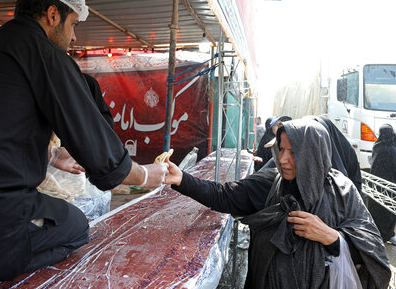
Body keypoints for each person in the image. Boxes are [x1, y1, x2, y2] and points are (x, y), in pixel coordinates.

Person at [0, 0, 168, 287]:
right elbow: (101, 155)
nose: (74, 37)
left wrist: (51, 156)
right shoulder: (44, 53)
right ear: (52, 15)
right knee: (75, 226)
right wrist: (146, 175)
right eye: (74, 24)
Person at [164, 119, 390, 288]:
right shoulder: (272, 183)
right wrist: (182, 180)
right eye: (281, 149)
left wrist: (332, 238)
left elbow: (374, 255)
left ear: (312, 153)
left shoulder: (343, 192)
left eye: (293, 152)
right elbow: (226, 195)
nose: (282, 159)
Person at [369, 124, 396, 243]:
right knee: (389, 210)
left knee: (376, 210)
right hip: (389, 185)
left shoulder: (376, 147)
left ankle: (376, 233)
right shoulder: (393, 149)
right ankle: (388, 234)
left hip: (376, 184)